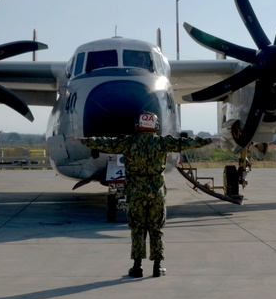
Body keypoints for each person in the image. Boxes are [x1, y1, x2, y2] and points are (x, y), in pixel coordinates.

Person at [81, 112, 212, 278]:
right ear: (155, 126)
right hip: (156, 194)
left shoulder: (129, 142)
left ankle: (137, 267)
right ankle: (157, 267)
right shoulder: (162, 142)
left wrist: (82, 141)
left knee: (137, 230)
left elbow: (106, 143)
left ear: (138, 125)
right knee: (156, 230)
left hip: (136, 194)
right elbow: (185, 142)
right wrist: (209, 140)